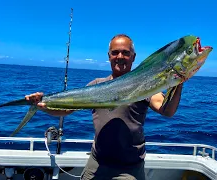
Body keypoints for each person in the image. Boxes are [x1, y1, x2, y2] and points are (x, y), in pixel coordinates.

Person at [25, 34, 184, 180]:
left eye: (125, 53)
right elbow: (66, 109)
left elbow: (167, 110)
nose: (120, 57)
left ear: (133, 57)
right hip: (96, 163)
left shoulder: (146, 85)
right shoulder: (96, 85)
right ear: (109, 56)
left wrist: (178, 81)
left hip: (128, 169)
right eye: (115, 53)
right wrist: (42, 105)